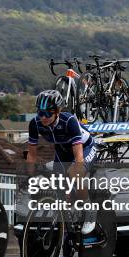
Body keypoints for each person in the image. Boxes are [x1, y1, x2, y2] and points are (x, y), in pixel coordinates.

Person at [26, 89, 97, 234]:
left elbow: (78, 156)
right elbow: (32, 155)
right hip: (62, 150)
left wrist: (73, 178)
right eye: (40, 113)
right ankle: (66, 231)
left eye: (48, 113)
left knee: (74, 174)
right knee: (61, 193)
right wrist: (30, 176)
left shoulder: (69, 120)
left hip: (85, 148)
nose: (43, 117)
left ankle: (90, 211)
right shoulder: (34, 124)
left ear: (57, 111)